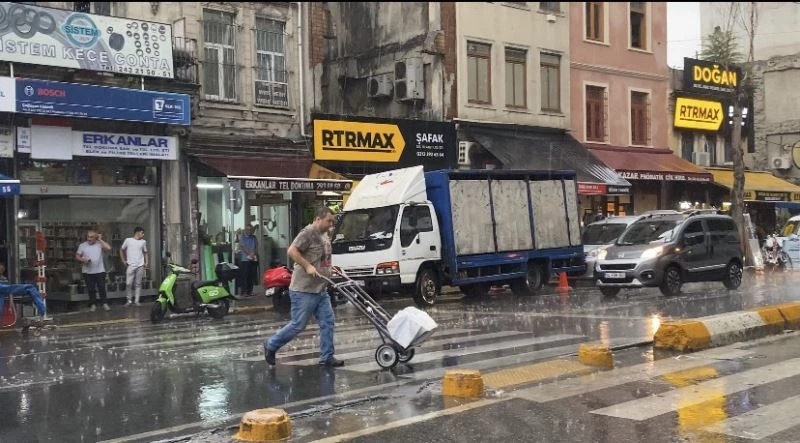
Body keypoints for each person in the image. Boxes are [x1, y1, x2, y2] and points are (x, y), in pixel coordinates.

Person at [264, 207, 343, 367]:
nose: (331, 224)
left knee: (328, 322)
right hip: (304, 289)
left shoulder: (324, 235)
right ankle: (271, 345)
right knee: (298, 325)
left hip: (320, 288)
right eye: (329, 221)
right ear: (318, 219)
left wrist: (330, 269)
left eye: (332, 222)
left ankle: (327, 357)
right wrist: (307, 266)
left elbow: (322, 257)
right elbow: (292, 251)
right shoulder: (308, 233)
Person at [76, 230, 112, 312]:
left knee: (102, 287)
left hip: (100, 270)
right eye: (88, 237)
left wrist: (100, 239)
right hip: (87, 271)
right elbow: (77, 256)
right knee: (91, 289)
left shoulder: (99, 244)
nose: (89, 238)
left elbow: (109, 248)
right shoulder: (82, 245)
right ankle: (93, 304)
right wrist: (82, 260)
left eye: (91, 237)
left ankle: (104, 304)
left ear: (95, 238)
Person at [121, 227, 148, 306]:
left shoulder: (143, 242)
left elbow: (145, 252)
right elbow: (121, 249)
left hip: (140, 265)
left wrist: (147, 262)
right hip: (131, 265)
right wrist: (123, 260)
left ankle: (137, 301)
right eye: (142, 233)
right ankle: (129, 300)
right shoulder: (128, 240)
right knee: (128, 283)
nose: (143, 235)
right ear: (137, 232)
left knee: (138, 283)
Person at [237, 224, 259, 297]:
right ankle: (244, 291)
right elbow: (242, 247)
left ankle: (250, 291)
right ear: (245, 230)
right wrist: (250, 253)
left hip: (253, 259)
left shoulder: (254, 237)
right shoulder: (242, 238)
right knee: (245, 276)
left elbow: (256, 246)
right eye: (248, 229)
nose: (249, 231)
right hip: (245, 259)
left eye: (250, 230)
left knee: (252, 275)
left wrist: (254, 253)